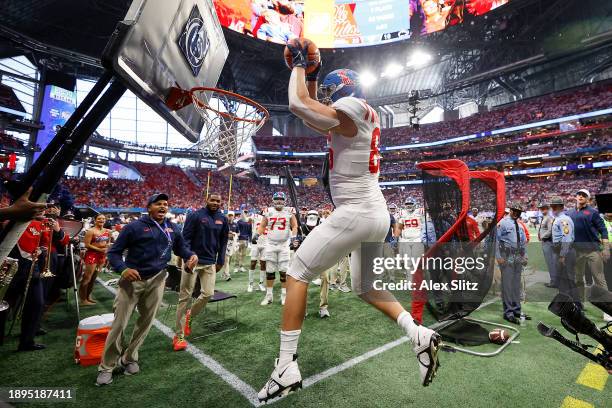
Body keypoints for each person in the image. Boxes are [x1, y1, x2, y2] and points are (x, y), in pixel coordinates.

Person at [257, 43, 441, 403]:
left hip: (357, 211)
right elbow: (311, 116)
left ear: (342, 90)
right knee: (365, 288)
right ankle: (417, 334)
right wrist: (310, 75)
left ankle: (285, 367)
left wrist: (298, 66)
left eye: (329, 91)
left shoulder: (351, 108)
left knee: (296, 273)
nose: (325, 98)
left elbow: (299, 107)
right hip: (374, 213)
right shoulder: (358, 112)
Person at [96, 193, 197, 385]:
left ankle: (129, 357)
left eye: (165, 204)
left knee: (146, 323)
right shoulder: (133, 227)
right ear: (149, 206)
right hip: (132, 281)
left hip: (158, 279)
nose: (163, 207)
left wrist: (191, 256)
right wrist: (123, 269)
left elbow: (181, 250)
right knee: (119, 324)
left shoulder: (173, 227)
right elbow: (114, 253)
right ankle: (107, 366)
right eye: (158, 203)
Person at [174, 192, 228, 351]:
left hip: (210, 262)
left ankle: (190, 315)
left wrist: (221, 259)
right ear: (207, 200)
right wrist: (187, 258)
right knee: (185, 297)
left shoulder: (222, 219)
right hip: (193, 261)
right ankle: (179, 336)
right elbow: (185, 238)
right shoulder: (195, 215)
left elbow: (223, 242)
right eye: (212, 200)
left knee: (208, 294)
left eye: (218, 201)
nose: (215, 203)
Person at [254, 192, 298, 306]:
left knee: (284, 271)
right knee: (269, 271)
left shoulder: (289, 211)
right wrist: (257, 234)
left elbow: (294, 226)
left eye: (281, 199)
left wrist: (293, 238)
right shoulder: (268, 211)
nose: (279, 201)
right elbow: (263, 226)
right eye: (277, 199)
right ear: (273, 200)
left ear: (284, 200)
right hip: (270, 244)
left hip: (284, 245)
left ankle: (284, 296)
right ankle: (269, 296)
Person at [568, 189, 609, 304]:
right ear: (575, 197)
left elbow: (603, 230)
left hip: (593, 250)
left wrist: (605, 248)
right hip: (576, 251)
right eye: (579, 194)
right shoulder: (569, 213)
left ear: (588, 199)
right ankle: (580, 303)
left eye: (584, 195)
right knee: (578, 279)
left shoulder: (593, 212)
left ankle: (608, 309)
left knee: (599, 279)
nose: (581, 196)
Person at [496, 203, 529, 324]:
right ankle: (508, 312)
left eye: (519, 212)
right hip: (507, 256)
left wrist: (525, 256)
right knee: (508, 285)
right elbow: (496, 240)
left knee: (516, 285)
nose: (516, 213)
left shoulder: (519, 225)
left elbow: (523, 242)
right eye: (514, 210)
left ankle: (516, 310)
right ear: (510, 210)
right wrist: (498, 256)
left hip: (517, 257)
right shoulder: (503, 223)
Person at [549, 197, 578, 303]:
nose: (552, 209)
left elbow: (566, 238)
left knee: (569, 279)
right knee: (563, 280)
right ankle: (567, 303)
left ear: (561, 207)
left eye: (554, 206)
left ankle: (577, 304)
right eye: (552, 206)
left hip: (565, 252)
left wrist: (562, 255)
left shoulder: (563, 219)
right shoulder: (560, 218)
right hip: (563, 251)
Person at [79, 214, 110, 305]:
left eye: (103, 219)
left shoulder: (107, 231)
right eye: (99, 218)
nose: (102, 220)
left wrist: (107, 247)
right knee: (87, 278)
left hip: (102, 257)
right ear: (95, 220)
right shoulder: (91, 231)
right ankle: (83, 299)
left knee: (94, 278)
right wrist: (100, 249)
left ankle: (88, 296)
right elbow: (87, 245)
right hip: (92, 255)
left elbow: (107, 242)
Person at [537, 202, 557, 288]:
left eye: (544, 208)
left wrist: (542, 237)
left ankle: (554, 282)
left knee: (551, 263)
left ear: (548, 208)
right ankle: (555, 280)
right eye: (541, 208)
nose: (542, 209)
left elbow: (550, 230)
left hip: (548, 242)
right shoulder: (545, 217)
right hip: (546, 242)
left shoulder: (549, 218)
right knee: (551, 262)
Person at [248, 208, 267, 292]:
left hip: (266, 243)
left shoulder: (270, 219)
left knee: (263, 264)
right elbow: (247, 220)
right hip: (255, 243)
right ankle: (250, 284)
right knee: (253, 263)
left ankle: (261, 283)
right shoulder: (255, 216)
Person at [221, 211, 238, 281]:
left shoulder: (235, 224)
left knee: (228, 260)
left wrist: (234, 234)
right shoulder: (224, 224)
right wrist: (227, 233)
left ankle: (224, 272)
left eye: (231, 216)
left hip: (232, 243)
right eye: (229, 215)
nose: (230, 217)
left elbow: (238, 233)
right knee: (226, 259)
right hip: (225, 243)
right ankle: (227, 274)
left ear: (233, 216)